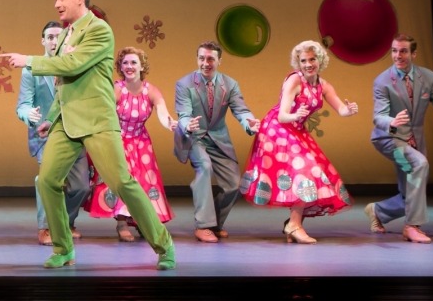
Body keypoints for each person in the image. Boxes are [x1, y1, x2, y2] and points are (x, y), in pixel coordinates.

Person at [2, 0, 176, 271]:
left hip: (96, 120)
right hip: (67, 123)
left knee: (122, 182)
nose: (56, 3)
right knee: (47, 181)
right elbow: (63, 84)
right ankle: (63, 248)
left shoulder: (98, 29)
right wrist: (50, 119)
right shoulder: (67, 34)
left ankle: (163, 244)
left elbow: (74, 65)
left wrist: (28, 60)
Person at [240, 40, 358, 244]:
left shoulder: (323, 85)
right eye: (303, 60)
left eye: (312, 59)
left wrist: (349, 110)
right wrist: (295, 115)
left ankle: (293, 224)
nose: (308, 64)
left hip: (296, 130)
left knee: (317, 172)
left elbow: (341, 109)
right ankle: (294, 225)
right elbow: (282, 115)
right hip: (277, 130)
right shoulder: (294, 81)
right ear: (298, 63)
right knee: (306, 170)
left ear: (319, 60)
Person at [367, 33, 433, 243]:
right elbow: (378, 116)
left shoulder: (428, 77)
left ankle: (378, 212)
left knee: (411, 189)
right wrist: (391, 121)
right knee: (419, 164)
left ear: (413, 53)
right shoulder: (382, 81)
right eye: (394, 51)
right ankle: (412, 226)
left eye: (403, 51)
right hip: (390, 141)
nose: (398, 55)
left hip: (414, 139)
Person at [84, 46, 176, 241]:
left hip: (141, 143)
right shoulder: (117, 89)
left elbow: (162, 111)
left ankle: (143, 221)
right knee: (122, 182)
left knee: (145, 182)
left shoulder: (151, 90)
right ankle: (122, 223)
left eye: (133, 62)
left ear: (142, 66)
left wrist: (171, 124)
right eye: (125, 62)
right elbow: (104, 110)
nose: (129, 66)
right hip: (118, 140)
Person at [174, 40, 259, 243]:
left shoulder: (229, 84)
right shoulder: (184, 84)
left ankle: (215, 224)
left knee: (233, 184)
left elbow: (241, 109)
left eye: (210, 58)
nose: (205, 63)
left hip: (218, 138)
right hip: (194, 137)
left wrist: (249, 123)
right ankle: (203, 226)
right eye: (202, 58)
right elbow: (183, 113)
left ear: (219, 61)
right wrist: (187, 125)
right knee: (204, 167)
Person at [15, 20, 90, 246]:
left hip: (75, 132)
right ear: (43, 41)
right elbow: (22, 105)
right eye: (49, 37)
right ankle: (46, 227)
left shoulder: (76, 65)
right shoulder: (31, 70)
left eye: (58, 37)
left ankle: (65, 222)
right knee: (45, 181)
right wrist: (30, 115)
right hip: (46, 134)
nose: (54, 41)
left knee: (81, 186)